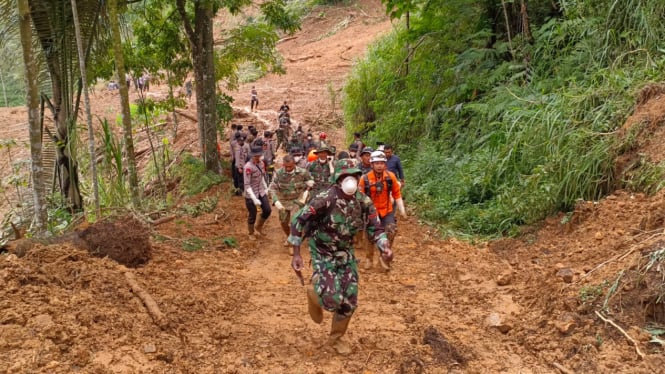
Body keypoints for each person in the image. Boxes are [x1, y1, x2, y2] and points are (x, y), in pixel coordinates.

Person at [288, 158, 393, 355]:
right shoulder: (325, 198)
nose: (350, 180)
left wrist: (384, 246)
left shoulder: (363, 201)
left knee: (350, 300)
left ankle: (335, 339)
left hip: (345, 253)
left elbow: (375, 227)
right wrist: (296, 253)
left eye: (354, 175)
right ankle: (315, 293)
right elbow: (298, 220)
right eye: (346, 176)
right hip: (322, 251)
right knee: (332, 298)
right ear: (338, 179)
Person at [358, 151, 406, 270]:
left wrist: (402, 211)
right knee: (370, 235)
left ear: (385, 164)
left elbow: (397, 194)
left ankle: (383, 257)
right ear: (372, 164)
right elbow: (359, 198)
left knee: (391, 230)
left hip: (386, 209)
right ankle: (369, 258)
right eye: (376, 163)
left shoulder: (390, 177)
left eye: (381, 163)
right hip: (371, 211)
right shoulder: (365, 179)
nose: (379, 165)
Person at [269, 155, 314, 250]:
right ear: (283, 165)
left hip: (297, 200)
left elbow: (310, 181)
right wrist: (276, 201)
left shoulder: (302, 172)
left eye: (290, 166)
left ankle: (293, 244)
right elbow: (272, 188)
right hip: (283, 201)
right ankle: (289, 237)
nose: (288, 168)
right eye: (286, 166)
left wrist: (307, 190)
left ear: (294, 164)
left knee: (294, 221)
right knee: (284, 222)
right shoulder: (279, 173)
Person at [244, 146, 272, 240]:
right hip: (251, 193)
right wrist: (254, 198)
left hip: (261, 191)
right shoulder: (248, 167)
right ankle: (251, 232)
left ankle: (258, 227)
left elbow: (262, 176)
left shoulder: (261, 164)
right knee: (253, 213)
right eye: (257, 155)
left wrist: (266, 188)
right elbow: (247, 185)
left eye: (259, 155)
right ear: (253, 156)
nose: (259, 157)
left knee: (267, 210)